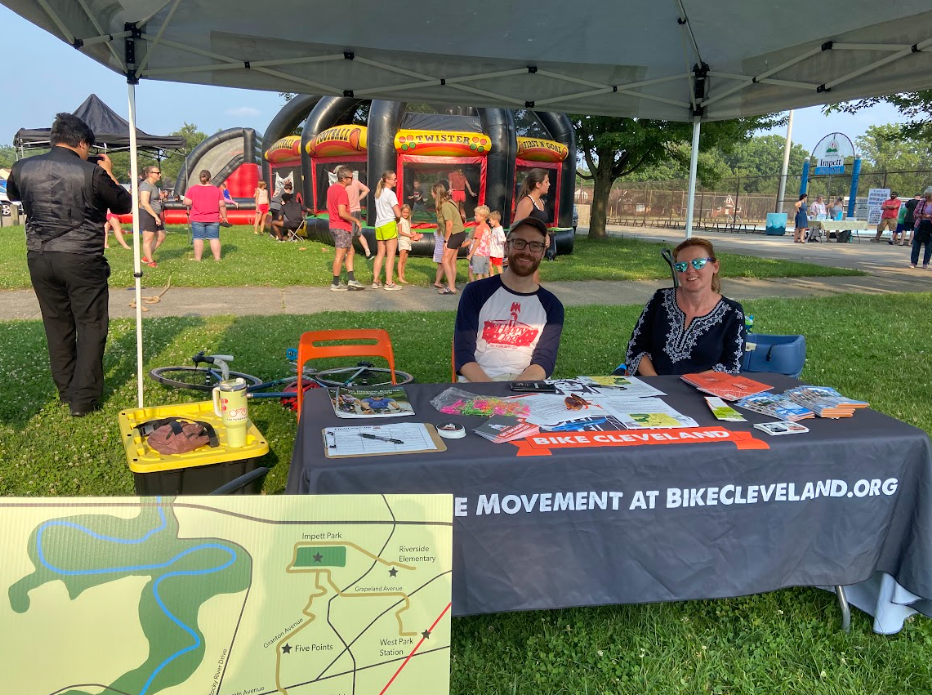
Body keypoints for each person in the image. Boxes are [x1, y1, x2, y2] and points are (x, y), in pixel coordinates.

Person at [6, 112, 132, 417]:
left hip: (39, 254)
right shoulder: (92, 172)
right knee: (90, 325)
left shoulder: (22, 167)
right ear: (83, 143)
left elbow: (14, 195)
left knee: (56, 324)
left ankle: (66, 390)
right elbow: (123, 204)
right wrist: (108, 172)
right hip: (81, 256)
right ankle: (83, 399)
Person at [454, 217, 564, 382]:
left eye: (535, 245)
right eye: (519, 243)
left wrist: (514, 392)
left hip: (527, 385)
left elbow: (544, 362)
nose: (526, 251)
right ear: (506, 247)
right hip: (478, 383)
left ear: (542, 253)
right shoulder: (476, 292)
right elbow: (463, 354)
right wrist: (494, 392)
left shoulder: (552, 306)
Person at [624, 238, 745, 376]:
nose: (690, 270)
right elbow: (635, 348)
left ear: (715, 266)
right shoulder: (660, 299)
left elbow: (732, 366)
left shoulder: (732, 313)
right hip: (651, 384)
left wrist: (686, 383)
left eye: (698, 263)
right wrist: (656, 381)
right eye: (681, 266)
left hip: (701, 387)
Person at [327, 165, 365, 291]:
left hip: (334, 225)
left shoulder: (331, 189)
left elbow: (328, 205)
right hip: (341, 226)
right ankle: (335, 283)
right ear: (343, 179)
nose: (352, 180)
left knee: (351, 251)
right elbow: (342, 213)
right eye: (350, 178)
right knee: (340, 254)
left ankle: (351, 279)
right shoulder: (342, 192)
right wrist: (356, 220)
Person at [514, 168, 552, 280]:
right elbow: (516, 228)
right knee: (529, 283)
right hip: (526, 250)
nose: (549, 184)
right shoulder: (527, 202)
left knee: (533, 283)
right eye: (546, 181)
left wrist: (545, 235)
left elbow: (540, 223)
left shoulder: (541, 202)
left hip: (536, 249)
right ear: (538, 184)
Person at [183, 169, 228, 261]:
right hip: (213, 219)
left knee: (198, 238)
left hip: (197, 218)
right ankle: (217, 258)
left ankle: (198, 259)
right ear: (210, 178)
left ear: (200, 178)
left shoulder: (193, 189)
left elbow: (187, 202)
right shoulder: (216, 190)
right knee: (214, 238)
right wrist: (224, 217)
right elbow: (222, 205)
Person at [371, 170, 402, 290]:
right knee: (390, 255)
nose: (396, 181)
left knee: (380, 254)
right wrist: (398, 219)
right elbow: (398, 213)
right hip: (389, 224)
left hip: (379, 225)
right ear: (387, 180)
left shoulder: (378, 193)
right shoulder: (390, 194)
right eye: (394, 179)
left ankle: (375, 280)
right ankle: (389, 282)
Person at [434, 182, 466, 295]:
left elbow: (449, 225)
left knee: (445, 259)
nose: (432, 195)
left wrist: (446, 241)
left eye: (432, 193)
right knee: (452, 261)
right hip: (459, 233)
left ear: (436, 193)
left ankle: (451, 288)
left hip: (455, 235)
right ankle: (451, 285)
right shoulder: (449, 202)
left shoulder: (445, 206)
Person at [139, 165, 165, 268]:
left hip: (155, 214)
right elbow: (145, 203)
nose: (160, 175)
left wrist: (160, 197)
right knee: (148, 239)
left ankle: (147, 256)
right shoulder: (145, 185)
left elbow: (153, 199)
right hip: (147, 214)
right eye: (157, 173)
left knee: (161, 237)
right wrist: (155, 217)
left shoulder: (153, 186)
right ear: (150, 174)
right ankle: (150, 262)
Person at [345, 172, 373, 260]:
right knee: (358, 233)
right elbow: (367, 190)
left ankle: (347, 254)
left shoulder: (345, 185)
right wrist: (358, 199)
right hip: (357, 210)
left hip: (350, 211)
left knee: (348, 233)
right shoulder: (356, 182)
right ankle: (368, 252)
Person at [396, 204, 421, 284]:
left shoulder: (407, 221)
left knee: (405, 259)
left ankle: (402, 273)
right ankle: (400, 277)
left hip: (407, 241)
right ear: (401, 212)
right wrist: (409, 235)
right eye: (404, 212)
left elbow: (408, 230)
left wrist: (413, 233)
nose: (405, 214)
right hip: (403, 240)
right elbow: (400, 232)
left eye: (407, 213)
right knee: (401, 259)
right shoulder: (400, 220)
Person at [467, 205, 492, 281]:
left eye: (476, 215)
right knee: (486, 273)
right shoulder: (487, 227)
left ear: (482, 217)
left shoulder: (479, 228)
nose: (475, 217)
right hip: (486, 254)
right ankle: (489, 286)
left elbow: (477, 242)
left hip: (478, 254)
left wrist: (470, 254)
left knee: (479, 274)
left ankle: (478, 287)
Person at [910, 187, 932, 270]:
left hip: (930, 225)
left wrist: (929, 216)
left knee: (929, 245)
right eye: (926, 196)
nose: (927, 198)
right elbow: (915, 213)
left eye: (929, 196)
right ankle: (913, 262)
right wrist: (920, 215)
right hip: (920, 224)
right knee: (916, 244)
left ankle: (925, 262)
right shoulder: (922, 202)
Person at [488, 210, 506, 276]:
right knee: (489, 264)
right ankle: (492, 276)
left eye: (490, 220)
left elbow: (503, 240)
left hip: (497, 252)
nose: (489, 222)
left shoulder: (499, 230)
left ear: (495, 220)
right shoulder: (494, 229)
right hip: (491, 251)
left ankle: (501, 277)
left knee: (498, 265)